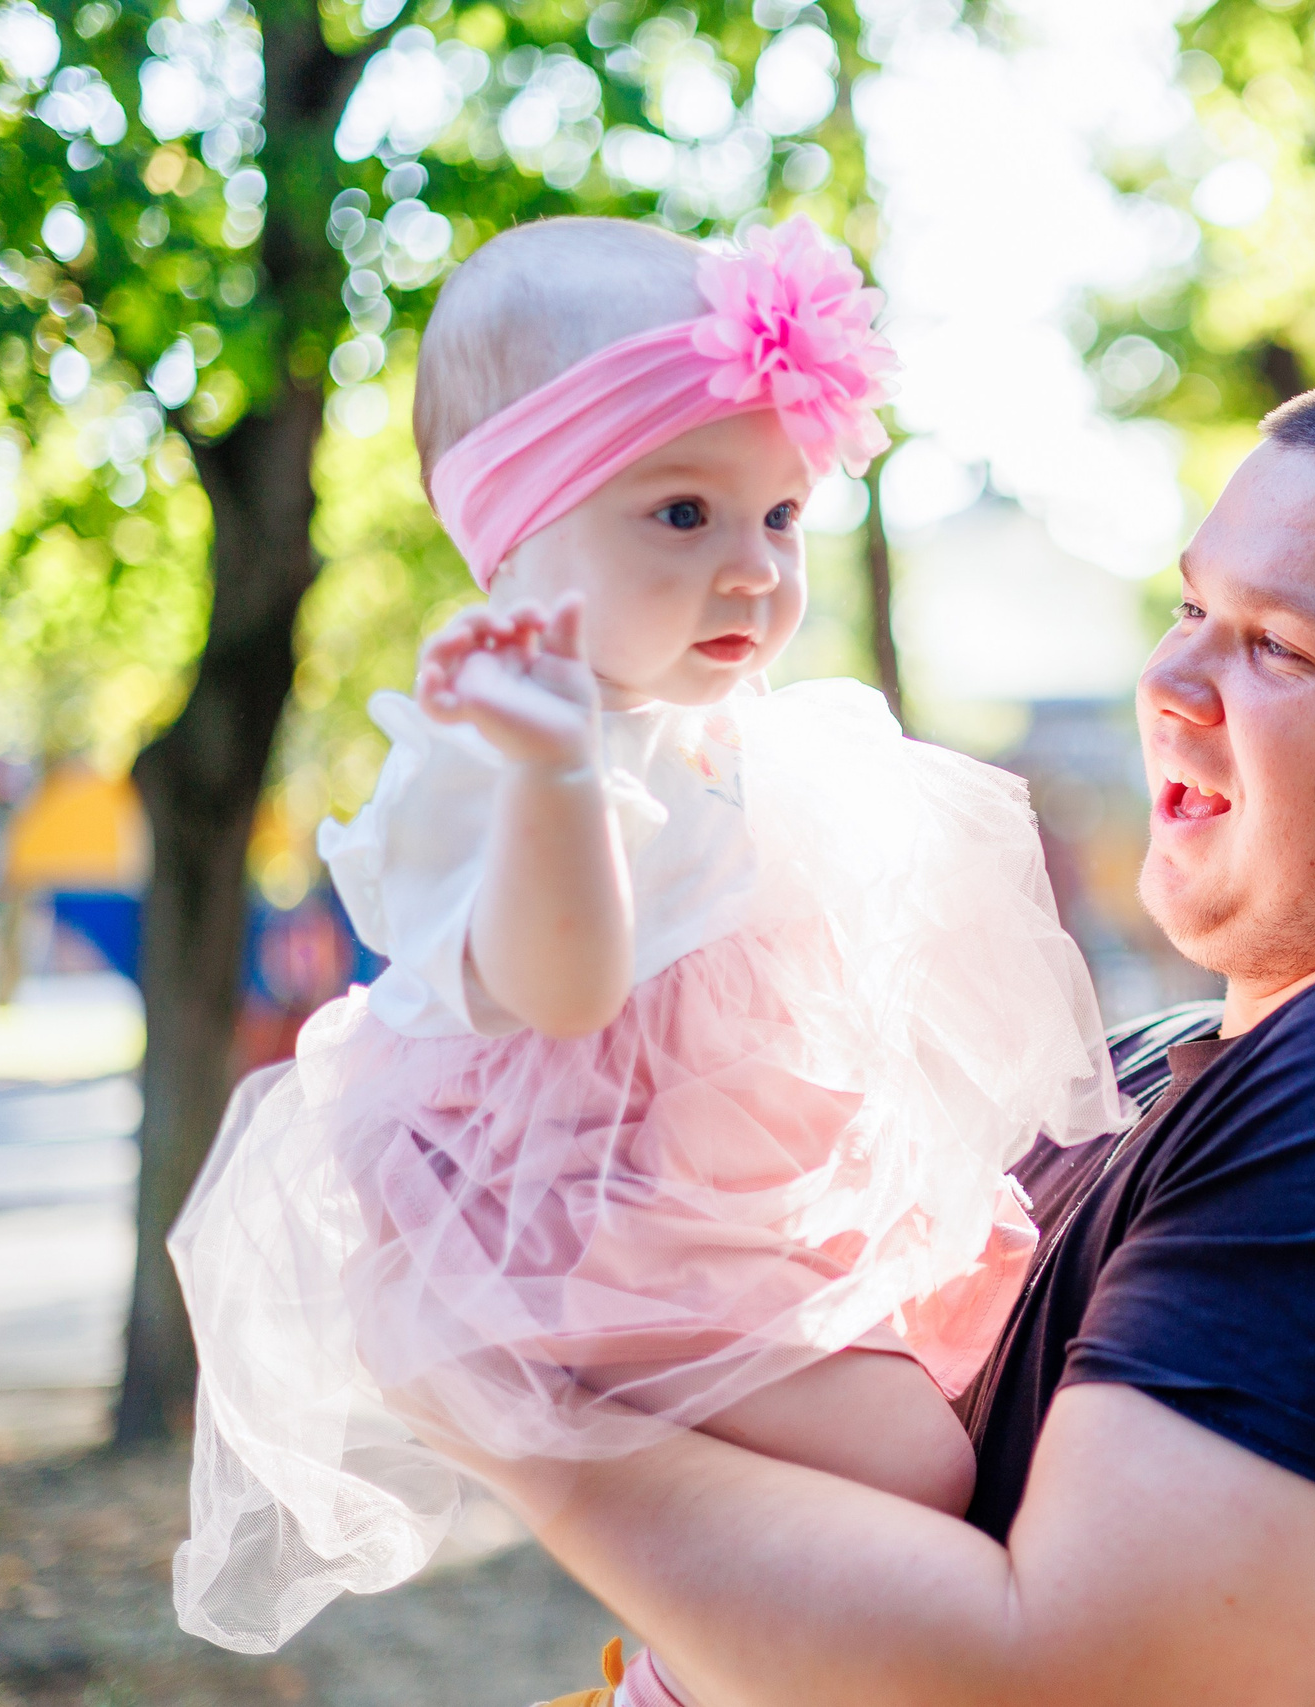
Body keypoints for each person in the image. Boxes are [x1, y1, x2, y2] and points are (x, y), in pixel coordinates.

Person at [460, 376, 1315, 1707]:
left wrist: (492, 1395)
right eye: (1193, 609)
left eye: (1278, 647)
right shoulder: (1167, 1067)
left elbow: (1066, 1685)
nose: (1170, 682)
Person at [164, 216, 1124, 1696]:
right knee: (918, 1465)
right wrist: (558, 778)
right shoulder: (492, 763)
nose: (752, 570)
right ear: (513, 539)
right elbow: (564, 985)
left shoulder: (734, 742)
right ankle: (695, 1668)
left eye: (783, 517)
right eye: (682, 516)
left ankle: (696, 1658)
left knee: (965, 1366)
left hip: (720, 1211)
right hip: (572, 1239)